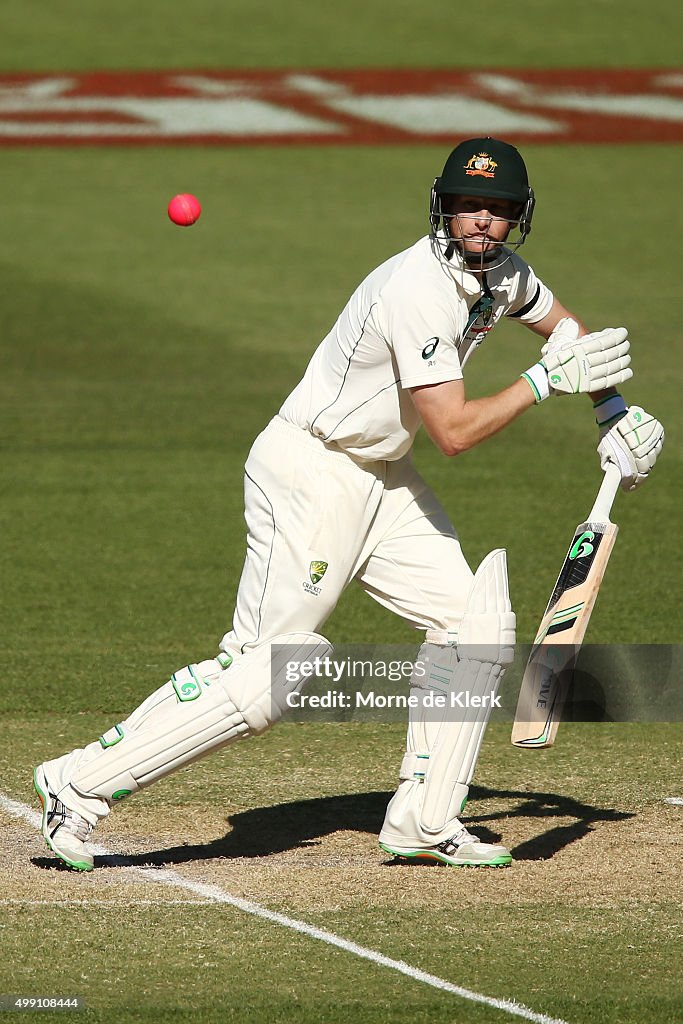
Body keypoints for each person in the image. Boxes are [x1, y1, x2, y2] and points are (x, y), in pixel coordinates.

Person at [34, 137, 664, 872]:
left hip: (381, 474)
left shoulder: (502, 276)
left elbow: (567, 333)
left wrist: (612, 413)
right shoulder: (416, 291)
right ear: (444, 209)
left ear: (516, 217)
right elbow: (455, 434)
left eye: (496, 210)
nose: (482, 223)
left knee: (471, 624)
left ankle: (424, 820)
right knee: (271, 673)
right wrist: (540, 384)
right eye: (468, 208)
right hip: (312, 469)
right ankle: (75, 784)